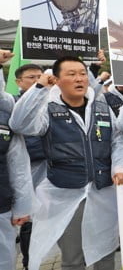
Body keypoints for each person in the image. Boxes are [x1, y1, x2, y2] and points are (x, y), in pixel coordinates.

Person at [9, 56, 123, 270]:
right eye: (71, 74)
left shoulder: (101, 108)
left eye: (83, 73)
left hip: (103, 191)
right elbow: (19, 124)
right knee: (74, 258)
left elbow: (118, 141)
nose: (79, 79)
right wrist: (39, 88)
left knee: (104, 253)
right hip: (67, 194)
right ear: (56, 80)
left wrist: (120, 167)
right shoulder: (47, 110)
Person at [0, 50, 33, 270]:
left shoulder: (6, 110)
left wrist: (22, 207)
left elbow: (17, 164)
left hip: (2, 204)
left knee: (5, 259)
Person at [13, 63, 48, 270]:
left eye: (40, 76)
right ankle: (29, 262)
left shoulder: (50, 101)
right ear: (19, 82)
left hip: (51, 167)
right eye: (31, 78)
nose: (38, 80)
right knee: (29, 219)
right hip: (28, 169)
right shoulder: (16, 104)